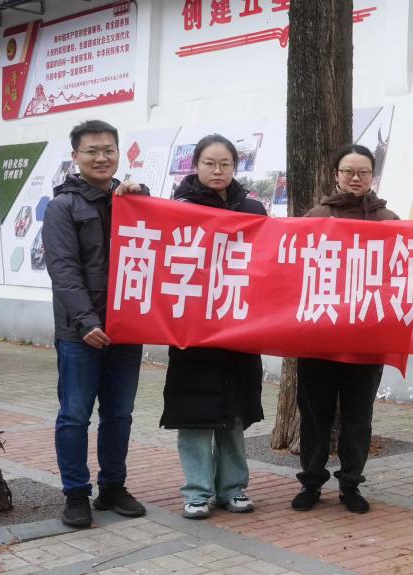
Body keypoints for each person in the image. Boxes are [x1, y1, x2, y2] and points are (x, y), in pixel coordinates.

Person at [43, 120, 149, 527]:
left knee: (119, 413)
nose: (101, 157)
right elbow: (63, 270)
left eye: (109, 150)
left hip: (126, 328)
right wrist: (86, 321)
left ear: (118, 153)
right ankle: (75, 493)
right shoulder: (62, 207)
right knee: (74, 415)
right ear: (76, 156)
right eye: (92, 151)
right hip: (79, 333)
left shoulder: (131, 200)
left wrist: (143, 198)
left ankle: (113, 487)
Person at [159, 134, 267, 519]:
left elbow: (268, 265)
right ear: (196, 165)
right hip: (193, 332)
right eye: (209, 163)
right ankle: (197, 492)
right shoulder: (177, 209)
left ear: (235, 167)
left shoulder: (253, 209)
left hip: (238, 328)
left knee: (233, 418)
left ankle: (233, 489)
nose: (217, 170)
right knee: (194, 416)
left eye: (225, 164)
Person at [291, 144, 399, 514]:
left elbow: (400, 274)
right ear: (336, 174)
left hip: (367, 337)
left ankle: (351, 484)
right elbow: (295, 271)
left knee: (358, 417)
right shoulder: (316, 217)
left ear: (372, 175)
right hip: (319, 336)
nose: (356, 178)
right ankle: (311, 483)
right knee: (314, 415)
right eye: (348, 171)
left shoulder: (388, 220)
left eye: (363, 172)